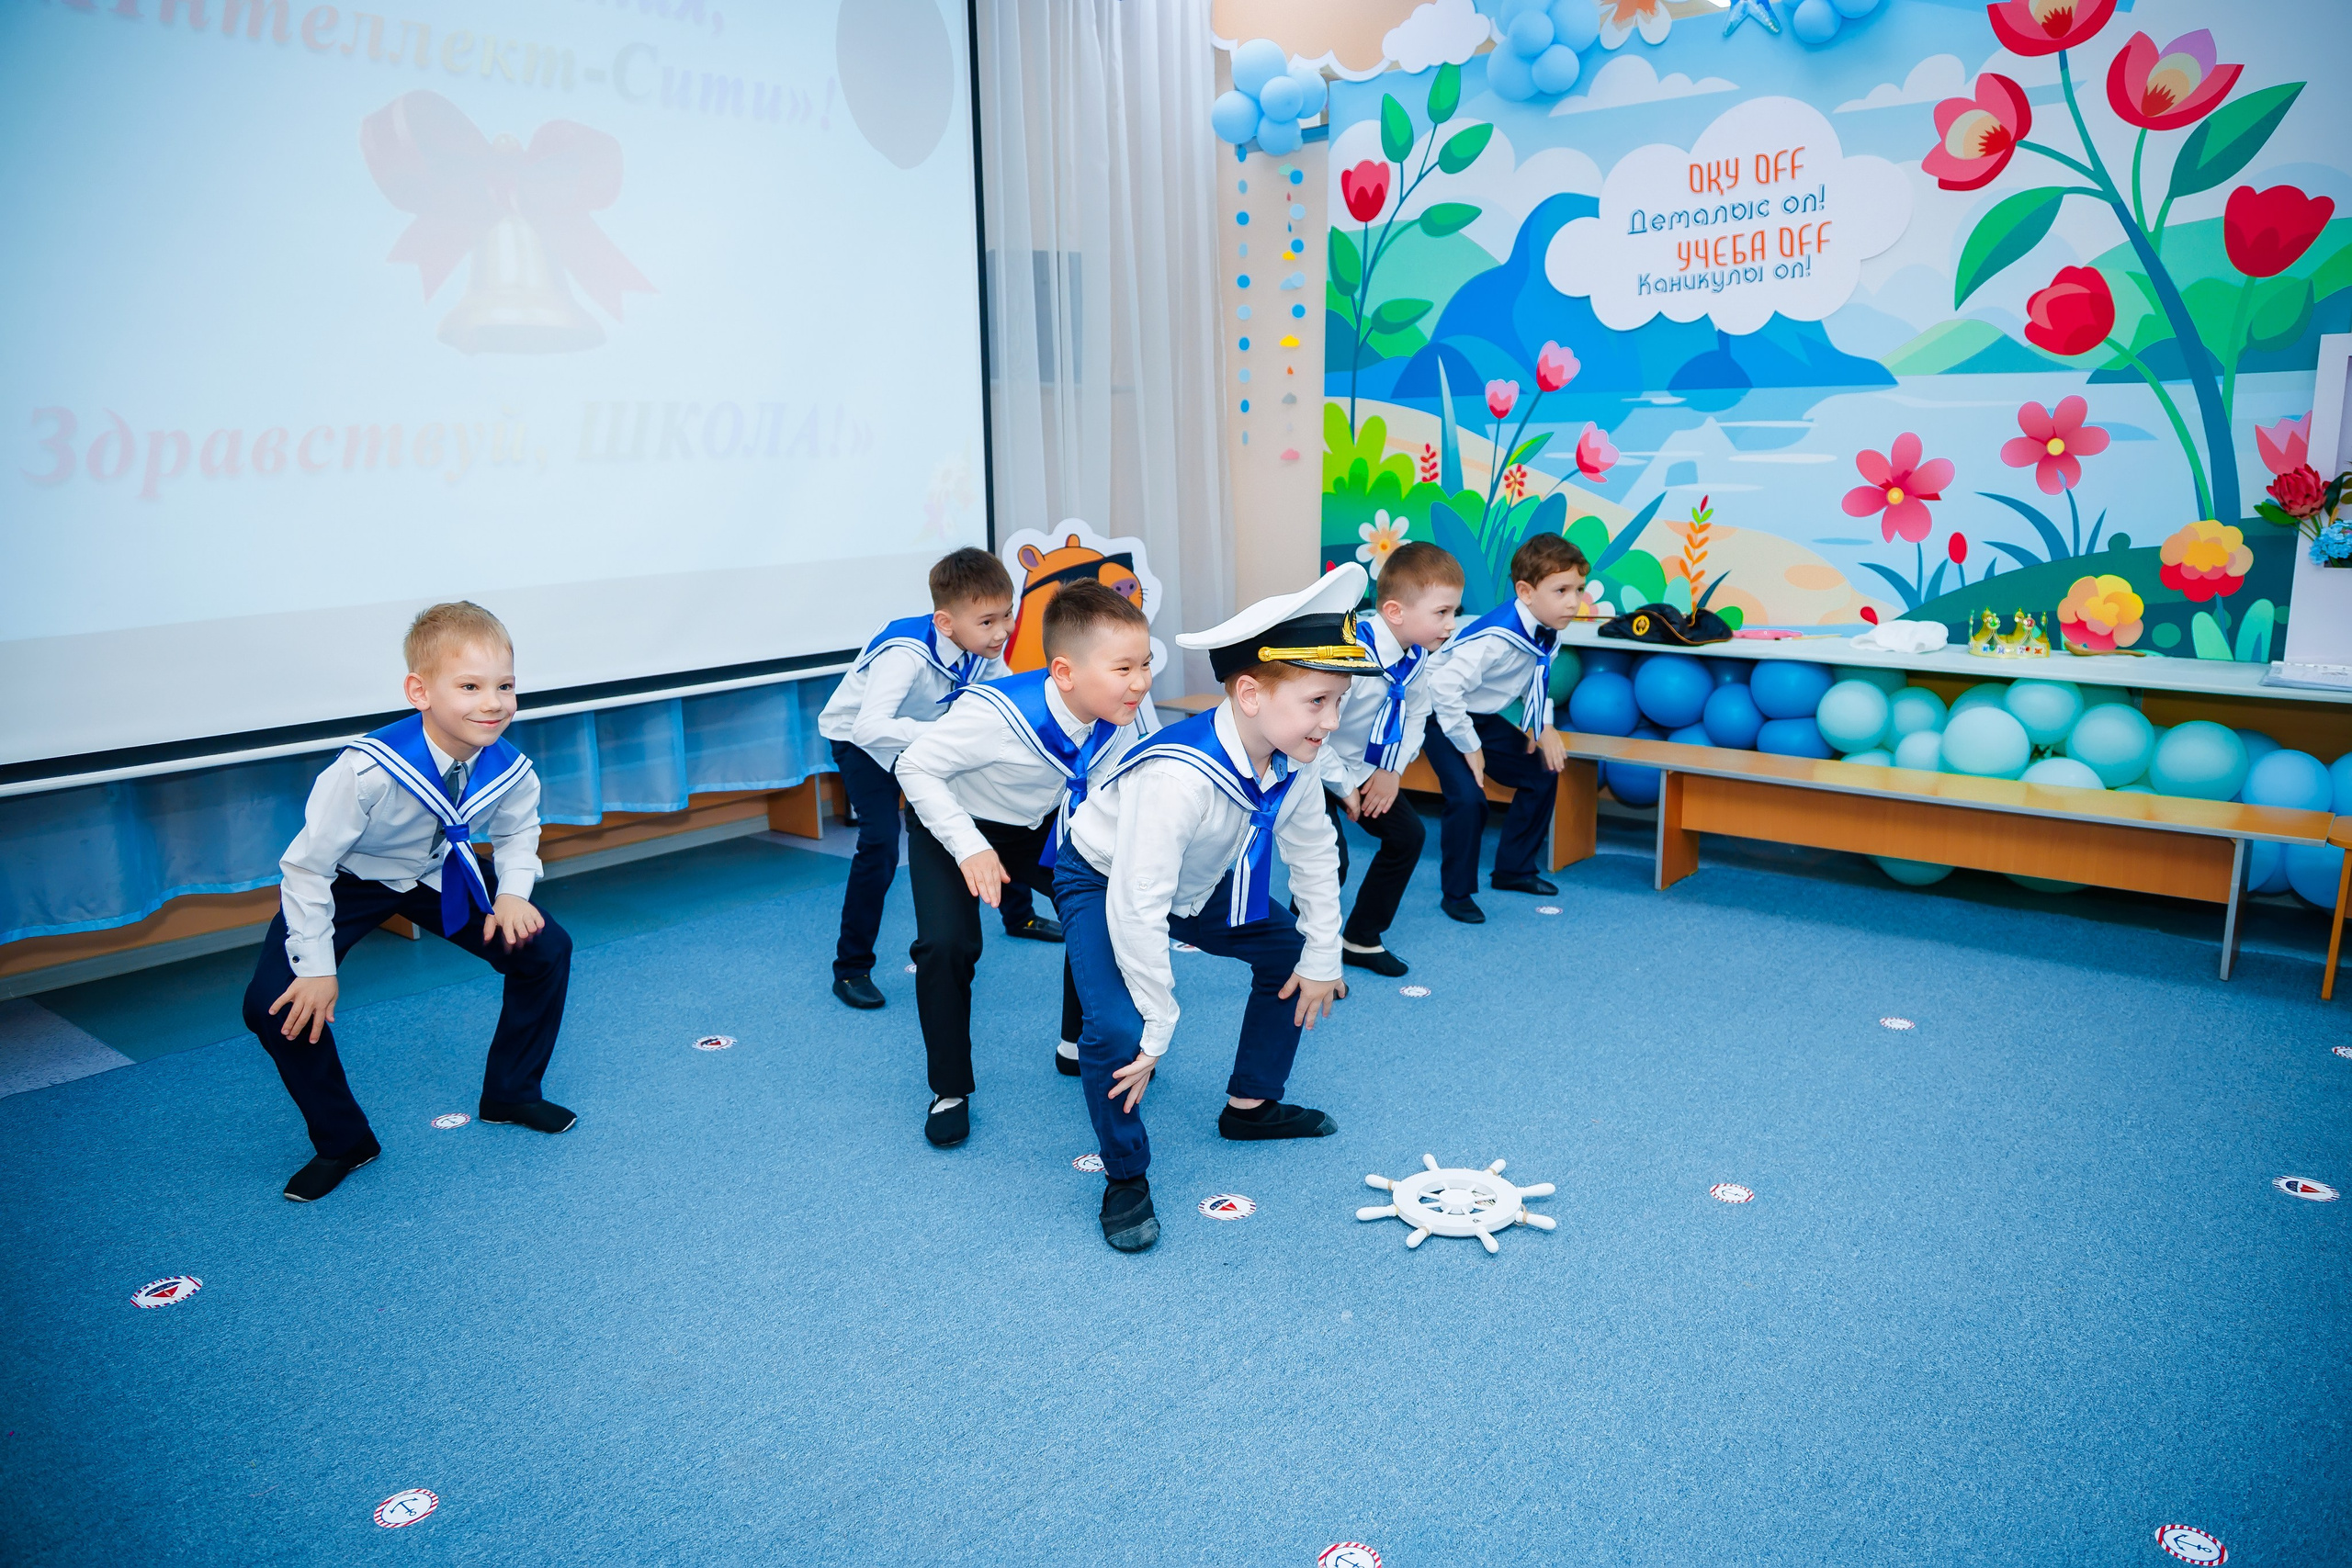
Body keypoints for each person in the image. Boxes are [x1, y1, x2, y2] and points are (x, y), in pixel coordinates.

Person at [1055, 564, 1378, 1253]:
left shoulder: (1298, 752)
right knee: (1116, 1029)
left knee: (1290, 951)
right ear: (1252, 693)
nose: (1333, 720)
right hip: (1105, 877)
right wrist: (1158, 1021)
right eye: (1319, 700)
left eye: (1340, 701)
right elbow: (1138, 902)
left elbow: (1315, 848)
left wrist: (1324, 956)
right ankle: (1124, 1175)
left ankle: (1250, 1106)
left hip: (1199, 880)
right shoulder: (1177, 777)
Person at [241, 602, 573, 1203]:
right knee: (274, 1006)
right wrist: (317, 968)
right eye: (469, 686)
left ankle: (511, 1091)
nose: (492, 702)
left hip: (439, 869)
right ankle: (345, 1141)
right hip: (350, 880)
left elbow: (521, 833)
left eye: (504, 686)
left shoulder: (511, 766)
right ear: (420, 690)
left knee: (545, 948)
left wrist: (513, 894)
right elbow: (306, 867)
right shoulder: (366, 769)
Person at [893, 581, 1155, 1147]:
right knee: (946, 946)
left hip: (1041, 824)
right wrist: (970, 847)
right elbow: (914, 768)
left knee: (1101, 903)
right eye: (1124, 668)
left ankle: (1074, 1043)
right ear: (1065, 672)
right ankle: (949, 1089)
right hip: (955, 825)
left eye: (1146, 664)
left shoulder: (1127, 707)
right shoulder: (994, 713)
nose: (1140, 682)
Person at [817, 547, 1059, 1012]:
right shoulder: (906, 654)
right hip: (862, 742)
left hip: (922, 734)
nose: (1004, 630)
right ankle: (850, 968)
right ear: (947, 623)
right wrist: (943, 737)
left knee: (993, 802)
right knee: (882, 843)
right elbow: (870, 727)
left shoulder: (980, 646)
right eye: (988, 622)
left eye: (1007, 615)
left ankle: (1020, 916)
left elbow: (1002, 699)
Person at [1421, 534, 1589, 924]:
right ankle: (1456, 894)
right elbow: (1444, 688)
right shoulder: (1496, 639)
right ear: (1525, 592)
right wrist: (1469, 745)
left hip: (1478, 715)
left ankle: (1513, 870)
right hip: (1437, 714)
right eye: (1561, 590)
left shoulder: (1548, 630)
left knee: (1542, 771)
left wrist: (1543, 726)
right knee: (1468, 799)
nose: (1573, 601)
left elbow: (1538, 676)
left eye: (1578, 589)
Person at [1317, 543, 1463, 977]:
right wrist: (1344, 790)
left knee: (1407, 837)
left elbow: (1416, 711)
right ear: (1396, 612)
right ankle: (1302, 953)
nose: (1451, 625)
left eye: (1454, 612)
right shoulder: (1349, 656)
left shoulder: (1414, 656)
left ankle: (1360, 938)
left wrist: (1391, 771)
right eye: (1442, 613)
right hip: (1308, 763)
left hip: (1364, 767)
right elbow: (1311, 730)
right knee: (1328, 859)